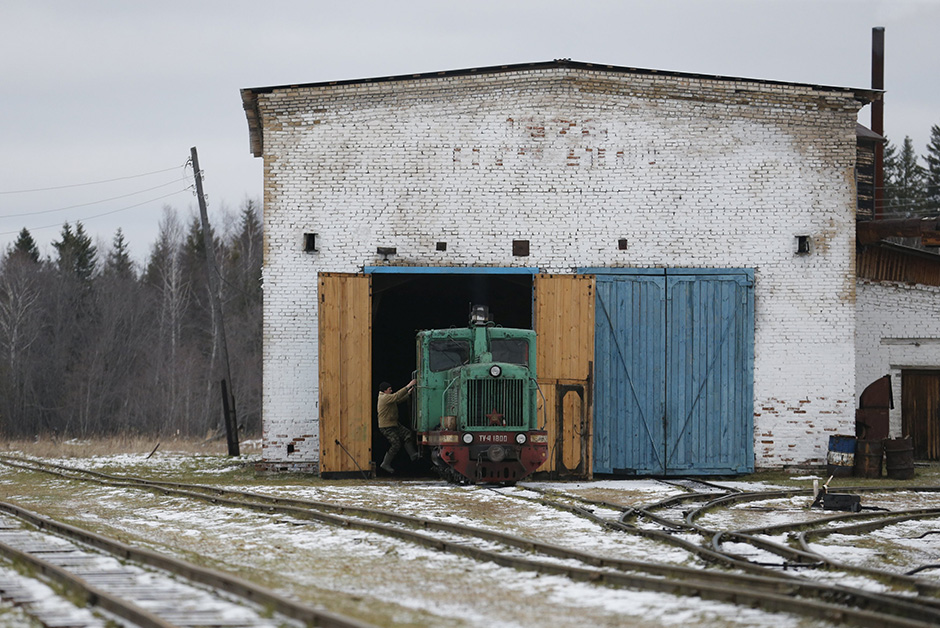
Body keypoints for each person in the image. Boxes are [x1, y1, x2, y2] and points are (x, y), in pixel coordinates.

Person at [377, 379, 420, 474]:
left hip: (394, 424)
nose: (391, 391)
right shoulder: (384, 398)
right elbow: (396, 396)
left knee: (407, 434)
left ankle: (412, 454)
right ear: (385, 390)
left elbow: (397, 400)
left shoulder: (388, 397)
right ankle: (385, 463)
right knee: (396, 444)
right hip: (386, 427)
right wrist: (408, 386)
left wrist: (408, 394)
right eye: (389, 389)